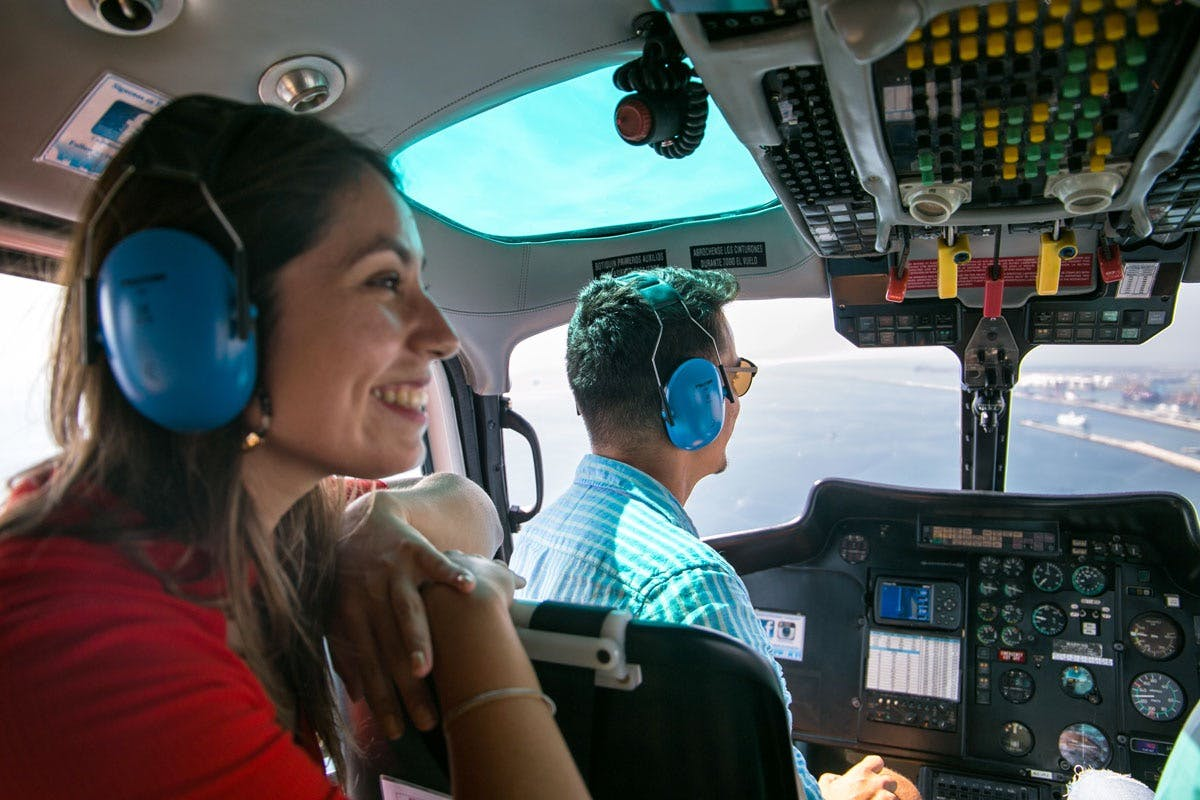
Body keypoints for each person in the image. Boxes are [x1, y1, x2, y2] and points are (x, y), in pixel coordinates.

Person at [0, 95, 588, 800]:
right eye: (384, 282)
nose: (441, 335)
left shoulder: (235, 519)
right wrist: (474, 624)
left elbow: (470, 506)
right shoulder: (92, 653)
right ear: (197, 321)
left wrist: (370, 529)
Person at [509, 267, 917, 800]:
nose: (738, 399)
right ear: (696, 398)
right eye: (735, 377)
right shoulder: (688, 584)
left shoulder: (536, 539)